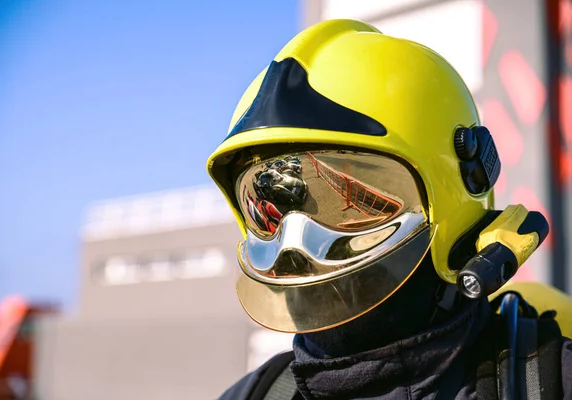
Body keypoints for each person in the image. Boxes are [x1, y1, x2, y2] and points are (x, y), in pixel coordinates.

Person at [206, 19, 572, 399]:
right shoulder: (256, 394)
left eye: (356, 202)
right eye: (270, 208)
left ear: (452, 192)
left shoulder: (550, 381)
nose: (294, 246)